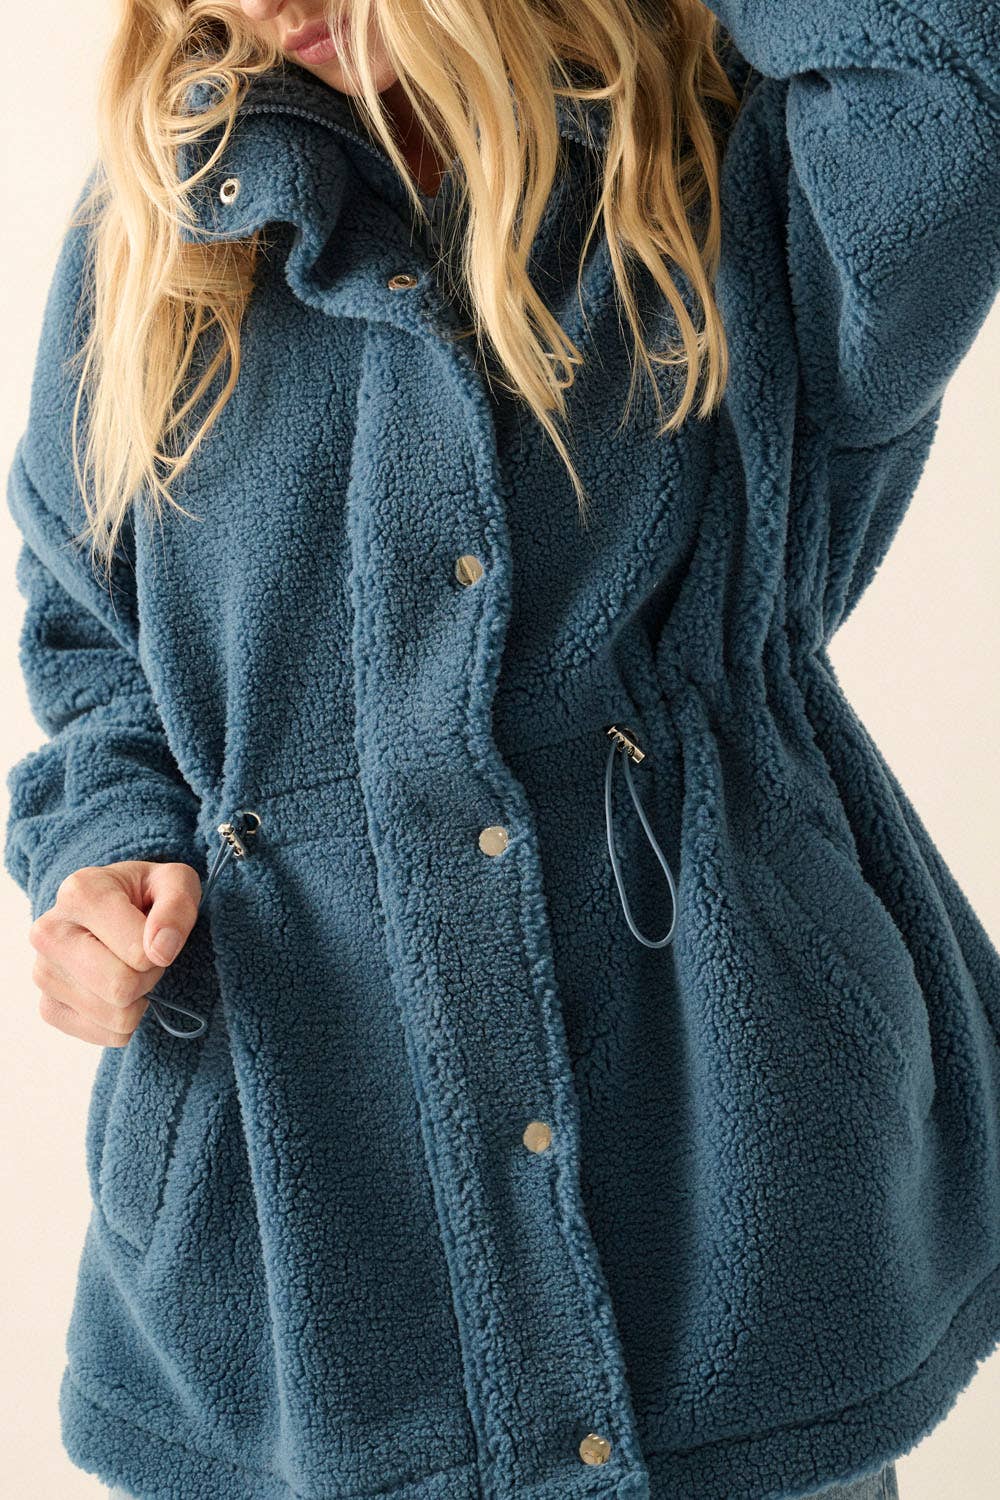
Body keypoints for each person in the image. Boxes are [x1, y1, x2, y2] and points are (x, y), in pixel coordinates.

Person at [5, 1, 999, 1497]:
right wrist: (108, 855)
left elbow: (951, 64)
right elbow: (93, 644)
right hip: (316, 1232)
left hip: (728, 1188)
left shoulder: (712, 169)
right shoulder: (163, 223)